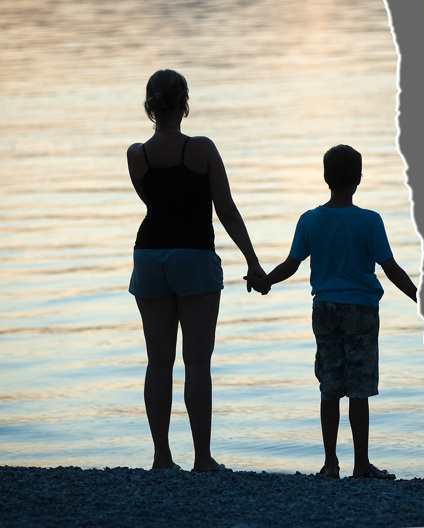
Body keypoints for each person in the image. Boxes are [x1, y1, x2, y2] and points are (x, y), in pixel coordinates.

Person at [246, 144, 417, 479]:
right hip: (361, 311)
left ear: (326, 178)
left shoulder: (310, 220)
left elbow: (291, 265)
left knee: (330, 386)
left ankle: (329, 464)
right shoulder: (370, 221)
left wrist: (266, 281)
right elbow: (391, 268)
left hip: (324, 308)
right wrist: (421, 298)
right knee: (359, 388)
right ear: (359, 179)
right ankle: (361, 465)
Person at [127, 69, 266, 472]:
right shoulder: (201, 149)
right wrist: (253, 263)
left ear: (150, 106)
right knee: (197, 362)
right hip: (194, 255)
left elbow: (153, 201)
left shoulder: (137, 154)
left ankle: (161, 458)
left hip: (149, 255)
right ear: (185, 103)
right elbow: (225, 210)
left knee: (158, 362)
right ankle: (202, 458)